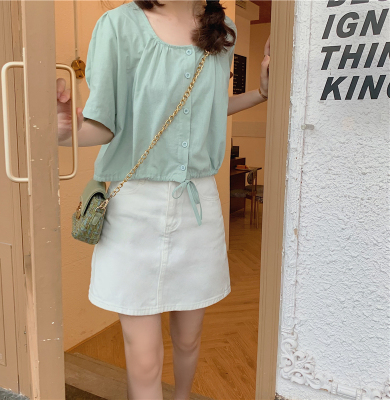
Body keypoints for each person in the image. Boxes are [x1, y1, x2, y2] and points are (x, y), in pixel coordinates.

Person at [57, 0, 270, 398]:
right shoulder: (118, 25)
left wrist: (261, 93)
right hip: (134, 208)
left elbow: (209, 108)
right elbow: (104, 124)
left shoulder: (223, 29)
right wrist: (65, 131)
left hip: (197, 204)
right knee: (144, 357)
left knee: (189, 339)